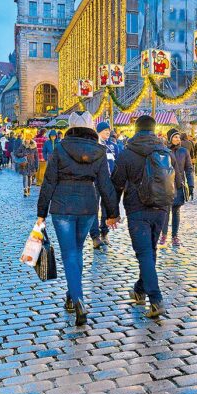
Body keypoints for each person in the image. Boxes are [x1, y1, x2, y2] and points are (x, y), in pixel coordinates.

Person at [36, 111, 119, 326]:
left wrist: (41, 213)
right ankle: (72, 295)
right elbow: (105, 184)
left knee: (69, 253)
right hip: (87, 207)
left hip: (63, 207)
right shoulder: (99, 151)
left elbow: (48, 183)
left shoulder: (60, 148)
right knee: (78, 250)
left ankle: (79, 300)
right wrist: (112, 212)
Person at [111, 115, 177, 318]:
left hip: (137, 209)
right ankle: (140, 290)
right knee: (150, 251)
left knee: (144, 254)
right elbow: (175, 178)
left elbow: (117, 184)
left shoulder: (127, 153)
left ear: (136, 130)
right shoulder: (165, 151)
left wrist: (112, 213)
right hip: (161, 208)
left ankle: (156, 300)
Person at [160, 128, 194, 247]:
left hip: (179, 185)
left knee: (176, 211)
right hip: (167, 186)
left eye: (179, 137)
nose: (178, 139)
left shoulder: (184, 151)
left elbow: (189, 169)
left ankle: (175, 236)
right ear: (170, 138)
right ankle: (163, 234)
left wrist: (191, 185)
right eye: (175, 137)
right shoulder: (164, 151)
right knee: (165, 211)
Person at [89, 122, 119, 249]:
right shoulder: (93, 145)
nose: (108, 132)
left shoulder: (113, 146)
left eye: (109, 130)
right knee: (94, 208)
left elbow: (116, 163)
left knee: (106, 207)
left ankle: (104, 233)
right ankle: (95, 236)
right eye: (105, 130)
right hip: (95, 181)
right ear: (99, 131)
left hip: (108, 181)